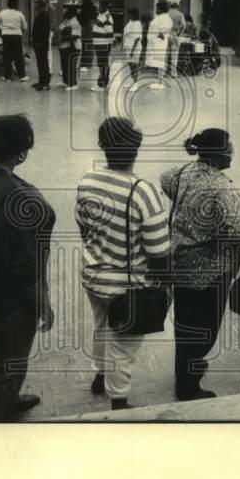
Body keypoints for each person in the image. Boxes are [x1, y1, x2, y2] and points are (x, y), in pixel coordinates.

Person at [0, 115, 56, 422]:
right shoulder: (25, 200)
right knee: (6, 364)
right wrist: (43, 300)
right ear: (23, 151)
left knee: (0, 356)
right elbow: (30, 263)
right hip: (11, 296)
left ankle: (10, 399)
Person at [76, 117, 170, 410]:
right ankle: (119, 401)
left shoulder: (87, 180)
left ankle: (99, 375)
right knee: (123, 346)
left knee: (102, 326)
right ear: (137, 148)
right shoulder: (144, 192)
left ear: (103, 146)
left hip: (94, 276)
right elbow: (158, 252)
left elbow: (84, 228)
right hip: (127, 288)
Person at [161, 129, 240, 401]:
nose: (232, 153)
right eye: (230, 149)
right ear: (218, 155)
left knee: (184, 323)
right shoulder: (220, 186)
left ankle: (184, 371)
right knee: (205, 328)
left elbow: (164, 179)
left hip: (180, 264)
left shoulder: (182, 172)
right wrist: (217, 237)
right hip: (210, 270)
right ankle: (188, 386)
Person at [0, 0, 29, 82]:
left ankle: (7, 77)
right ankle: (22, 76)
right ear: (16, 5)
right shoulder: (20, 14)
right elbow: (25, 27)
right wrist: (20, 32)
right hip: (17, 36)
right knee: (19, 56)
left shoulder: (3, 13)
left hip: (6, 35)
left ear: (8, 4)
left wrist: (1, 32)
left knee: (7, 56)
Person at [146, 2, 173, 90]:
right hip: (156, 42)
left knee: (161, 61)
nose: (156, 10)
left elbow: (165, 29)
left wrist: (159, 35)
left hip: (159, 43)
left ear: (161, 9)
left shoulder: (165, 18)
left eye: (157, 8)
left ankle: (160, 83)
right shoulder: (162, 17)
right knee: (160, 61)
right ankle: (159, 81)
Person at [91, 0, 115, 91]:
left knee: (102, 64)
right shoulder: (101, 15)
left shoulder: (107, 17)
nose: (99, 8)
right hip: (99, 44)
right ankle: (105, 82)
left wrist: (108, 46)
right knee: (102, 63)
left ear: (105, 7)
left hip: (103, 45)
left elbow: (110, 33)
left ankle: (101, 84)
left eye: (100, 6)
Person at [57, 5, 82, 90]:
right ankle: (65, 81)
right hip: (64, 46)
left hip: (72, 46)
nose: (64, 12)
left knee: (70, 65)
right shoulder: (67, 20)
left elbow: (75, 36)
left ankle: (73, 84)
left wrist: (63, 38)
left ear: (71, 13)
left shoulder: (75, 22)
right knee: (64, 64)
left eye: (66, 11)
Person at [30, 0, 52, 91]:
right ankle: (41, 81)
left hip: (41, 43)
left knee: (43, 62)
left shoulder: (43, 14)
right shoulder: (40, 14)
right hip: (38, 42)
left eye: (35, 3)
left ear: (39, 5)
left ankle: (45, 83)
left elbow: (45, 31)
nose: (34, 5)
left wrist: (40, 42)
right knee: (40, 62)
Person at [122, 8, 144, 82]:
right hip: (128, 46)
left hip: (134, 47)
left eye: (129, 14)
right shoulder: (130, 21)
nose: (128, 15)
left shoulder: (137, 24)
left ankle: (135, 83)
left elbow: (137, 38)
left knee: (134, 66)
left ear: (133, 15)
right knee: (130, 65)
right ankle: (133, 80)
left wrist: (132, 50)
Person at [78, 0, 97, 71]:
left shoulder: (87, 4)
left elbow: (87, 16)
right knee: (85, 45)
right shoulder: (88, 4)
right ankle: (84, 64)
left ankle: (87, 65)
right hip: (86, 25)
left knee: (87, 45)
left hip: (87, 26)